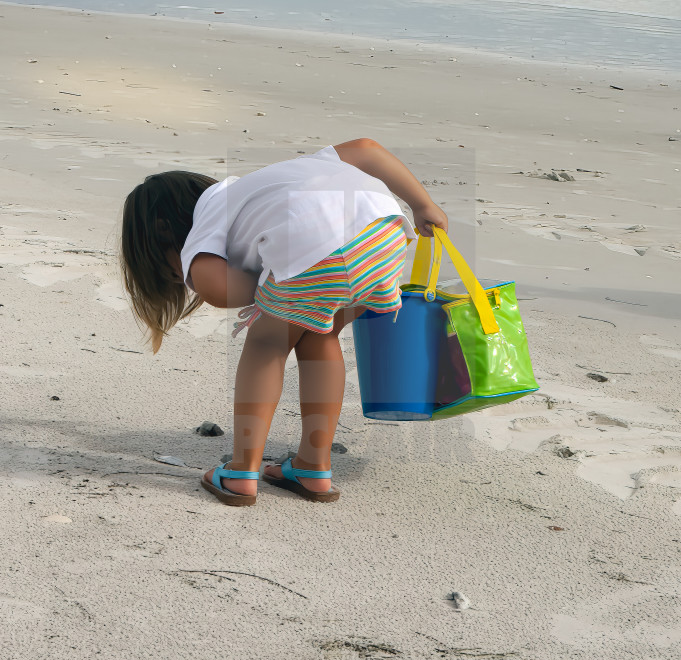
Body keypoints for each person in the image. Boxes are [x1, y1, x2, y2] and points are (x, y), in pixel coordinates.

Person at [119, 138, 448, 506]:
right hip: (383, 236)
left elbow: (215, 287)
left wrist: (263, 295)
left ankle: (242, 471)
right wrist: (423, 205)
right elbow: (365, 148)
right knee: (322, 337)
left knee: (267, 342)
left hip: (316, 248)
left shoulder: (210, 210)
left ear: (165, 230)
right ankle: (312, 465)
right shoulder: (269, 184)